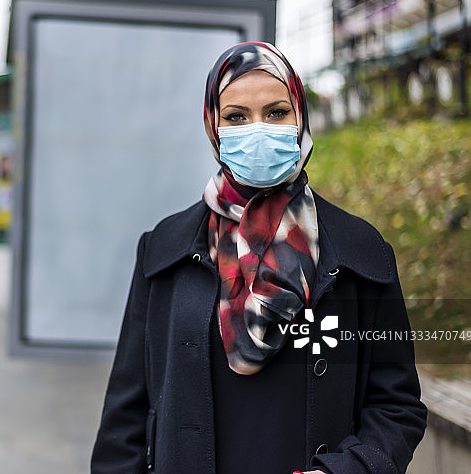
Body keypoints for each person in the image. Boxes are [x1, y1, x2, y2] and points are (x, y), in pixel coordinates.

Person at [91, 42, 427, 474]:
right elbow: (126, 417)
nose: (258, 130)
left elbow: (396, 406)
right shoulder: (164, 249)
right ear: (213, 127)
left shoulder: (360, 251)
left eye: (276, 112)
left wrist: (345, 471)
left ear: (300, 117)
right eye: (236, 117)